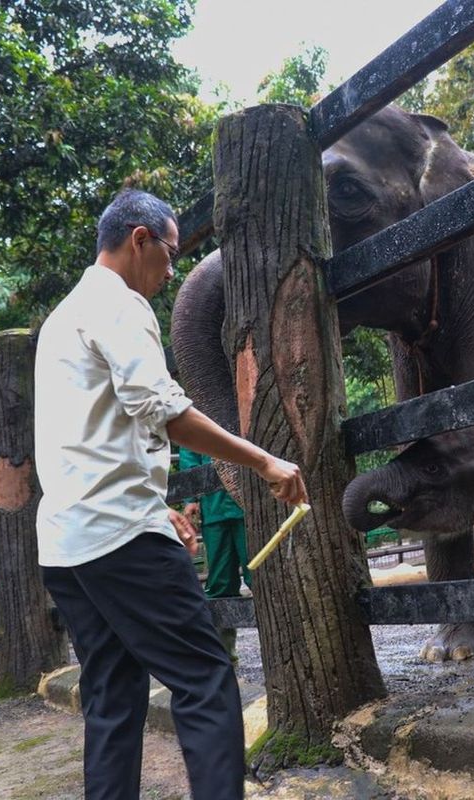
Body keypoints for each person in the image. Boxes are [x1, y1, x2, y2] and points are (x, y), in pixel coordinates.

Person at [35, 188, 307, 800]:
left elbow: (86, 440)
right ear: (140, 239)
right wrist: (264, 460)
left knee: (112, 693)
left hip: (65, 543)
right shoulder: (121, 305)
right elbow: (164, 410)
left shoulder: (61, 318)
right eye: (170, 252)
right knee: (205, 679)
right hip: (120, 537)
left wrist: (156, 503)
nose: (171, 268)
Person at [179, 446, 250, 660]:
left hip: (249, 502)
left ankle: (279, 654)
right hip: (214, 507)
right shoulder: (200, 411)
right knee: (219, 584)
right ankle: (223, 658)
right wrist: (190, 497)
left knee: (261, 576)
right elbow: (189, 448)